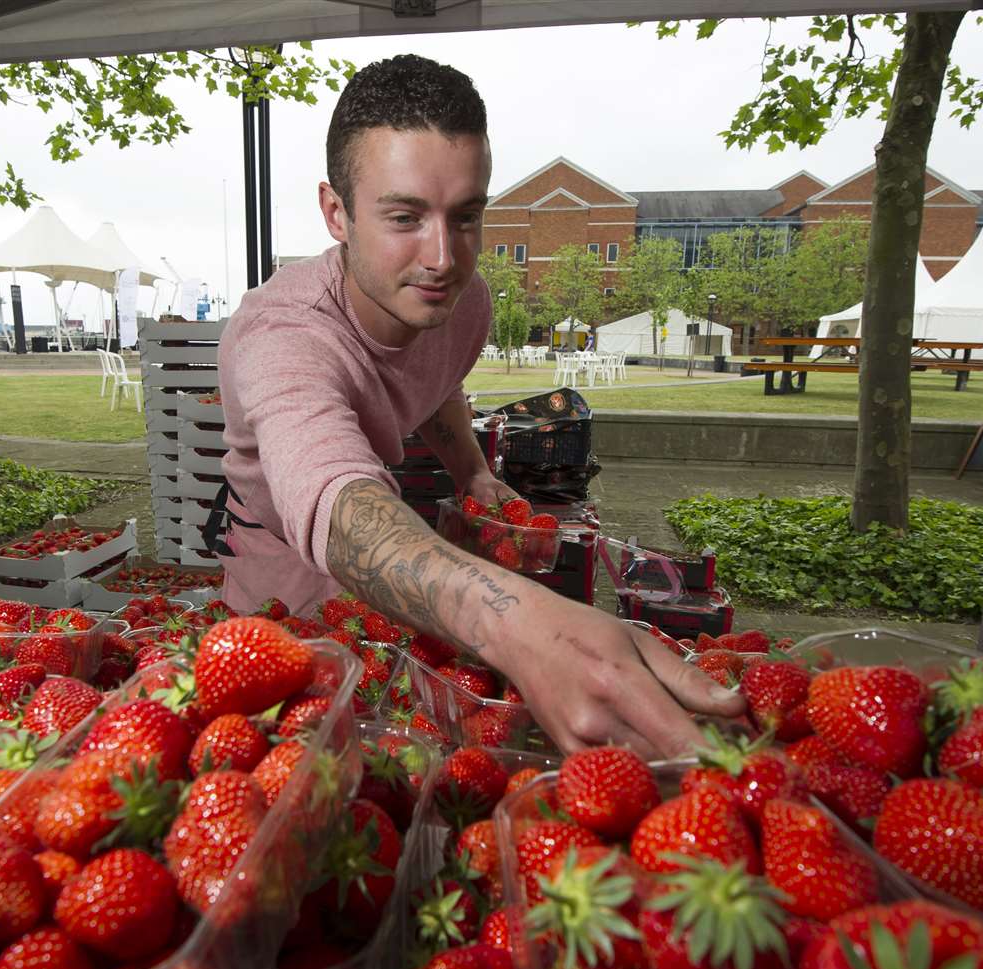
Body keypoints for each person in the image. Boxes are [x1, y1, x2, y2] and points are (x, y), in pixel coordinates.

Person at [214, 55, 742, 758]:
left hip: (403, 572)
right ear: (335, 213)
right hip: (287, 591)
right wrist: (514, 621)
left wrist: (471, 475)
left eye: (464, 218)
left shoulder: (464, 302)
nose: (441, 257)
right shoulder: (280, 333)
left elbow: (436, 388)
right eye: (404, 216)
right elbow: (330, 493)